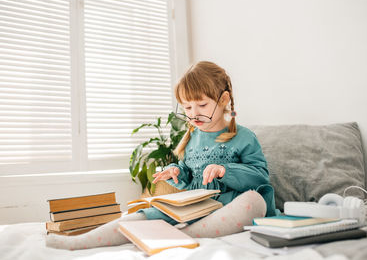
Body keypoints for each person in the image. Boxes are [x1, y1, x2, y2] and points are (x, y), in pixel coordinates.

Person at [46, 61, 278, 250]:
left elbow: (260, 178)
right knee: (146, 213)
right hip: (199, 207)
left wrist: (226, 171)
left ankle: (182, 234)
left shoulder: (244, 137)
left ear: (224, 100)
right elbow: (189, 178)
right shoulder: (192, 138)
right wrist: (177, 172)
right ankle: (77, 242)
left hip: (229, 204)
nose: (193, 114)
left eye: (202, 105)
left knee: (253, 201)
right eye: (187, 108)